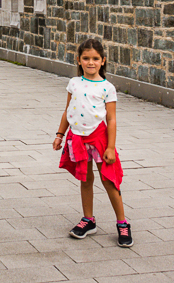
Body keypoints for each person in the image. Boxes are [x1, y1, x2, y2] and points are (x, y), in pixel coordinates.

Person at [53, 38, 132, 246]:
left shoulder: (107, 88)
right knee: (85, 179)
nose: (90, 62)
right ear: (79, 60)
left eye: (95, 58)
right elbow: (68, 110)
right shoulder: (74, 83)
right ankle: (88, 220)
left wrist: (111, 147)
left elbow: (112, 119)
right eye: (86, 58)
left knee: (109, 180)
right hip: (77, 138)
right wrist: (60, 134)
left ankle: (122, 223)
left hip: (99, 140)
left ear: (103, 61)